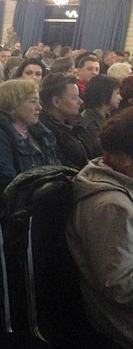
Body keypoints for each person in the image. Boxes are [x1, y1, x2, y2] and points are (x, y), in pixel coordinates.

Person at [67, 106, 133, 349]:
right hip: (120, 320)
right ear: (125, 157)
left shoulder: (115, 175)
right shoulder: (111, 206)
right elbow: (119, 285)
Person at [0, 80, 59, 209]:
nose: (39, 107)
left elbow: (57, 170)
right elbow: (10, 190)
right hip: (3, 213)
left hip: (39, 207)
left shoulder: (39, 133)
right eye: (33, 101)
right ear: (12, 105)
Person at [39, 73, 101, 170]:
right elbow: (64, 166)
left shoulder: (76, 123)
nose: (80, 101)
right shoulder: (46, 132)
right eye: (74, 97)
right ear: (56, 102)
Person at [80, 74, 122, 157]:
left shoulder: (105, 118)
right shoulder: (89, 124)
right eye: (117, 93)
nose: (120, 98)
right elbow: (103, 152)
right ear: (105, 95)